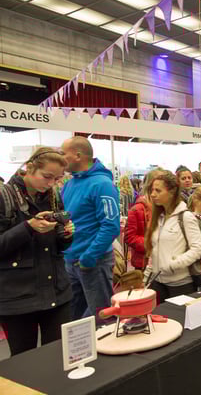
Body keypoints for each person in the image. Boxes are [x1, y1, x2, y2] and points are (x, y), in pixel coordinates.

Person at [0, 147, 75, 356]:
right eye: (47, 177)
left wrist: (65, 235)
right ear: (30, 168)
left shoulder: (53, 196)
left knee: (60, 356)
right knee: (25, 361)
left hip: (57, 293)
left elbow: (59, 246)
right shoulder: (4, 197)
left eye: (57, 179)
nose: (51, 183)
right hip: (17, 299)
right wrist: (28, 227)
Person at [61, 136, 120, 320]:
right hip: (71, 261)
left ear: (78, 156)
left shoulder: (102, 184)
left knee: (102, 317)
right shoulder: (68, 184)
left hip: (93, 261)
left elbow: (110, 226)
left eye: (63, 154)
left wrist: (89, 256)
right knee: (73, 319)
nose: (60, 158)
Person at [145, 171, 201, 303]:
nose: (152, 194)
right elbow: (154, 251)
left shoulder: (186, 217)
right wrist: (146, 278)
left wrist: (173, 264)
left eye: (158, 190)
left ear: (172, 192)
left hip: (180, 284)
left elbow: (198, 248)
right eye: (152, 190)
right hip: (157, 282)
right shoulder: (159, 217)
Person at [124, 169, 164, 271]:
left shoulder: (166, 207)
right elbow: (129, 237)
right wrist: (151, 244)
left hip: (164, 261)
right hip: (143, 263)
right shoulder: (137, 209)